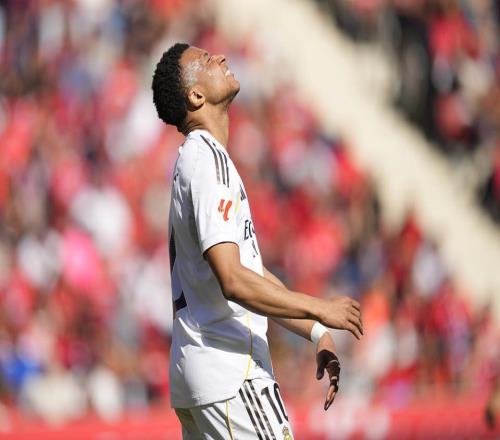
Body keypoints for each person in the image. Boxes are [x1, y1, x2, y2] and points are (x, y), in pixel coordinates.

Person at [151, 42, 363, 440]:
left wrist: (316, 330)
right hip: (231, 374)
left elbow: (250, 273)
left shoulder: (196, 159)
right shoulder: (208, 163)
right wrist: (320, 307)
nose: (219, 58)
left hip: (203, 375)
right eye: (205, 60)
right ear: (195, 96)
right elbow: (234, 280)